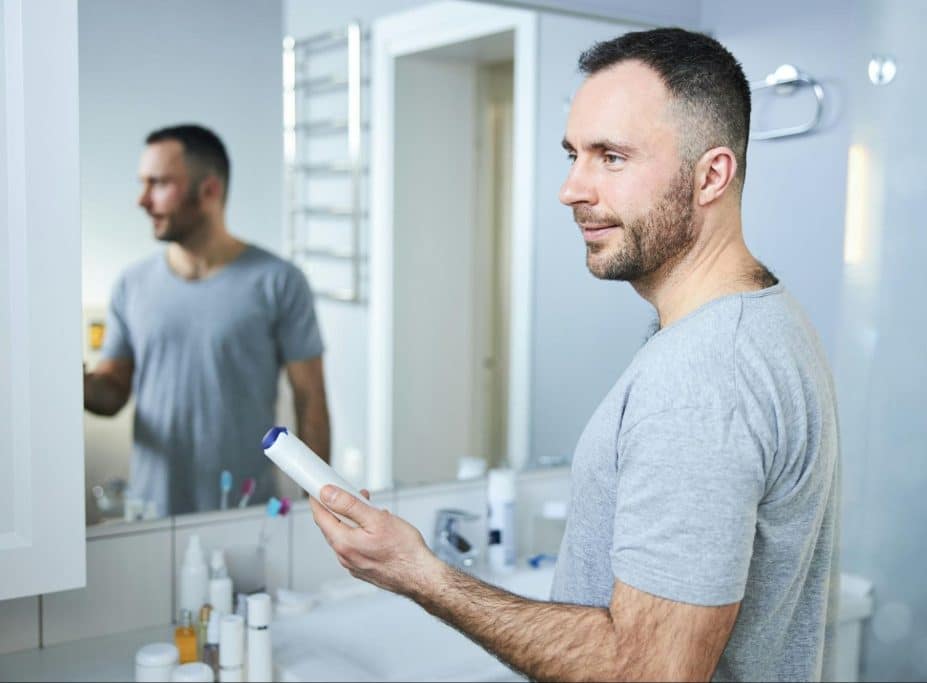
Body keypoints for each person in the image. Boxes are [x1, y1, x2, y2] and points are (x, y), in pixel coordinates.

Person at [310, 28, 839, 682]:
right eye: (574, 154)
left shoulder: (702, 376)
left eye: (611, 157)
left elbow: (647, 671)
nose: (571, 188)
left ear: (712, 175)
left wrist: (420, 573)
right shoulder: (763, 317)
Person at [84, 124, 330, 517]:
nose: (142, 200)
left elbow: (310, 398)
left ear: (210, 190)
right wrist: (71, 383)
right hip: (150, 513)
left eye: (159, 183)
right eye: (142, 183)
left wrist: (319, 505)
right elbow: (112, 392)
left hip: (246, 509)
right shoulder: (132, 284)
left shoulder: (278, 281)